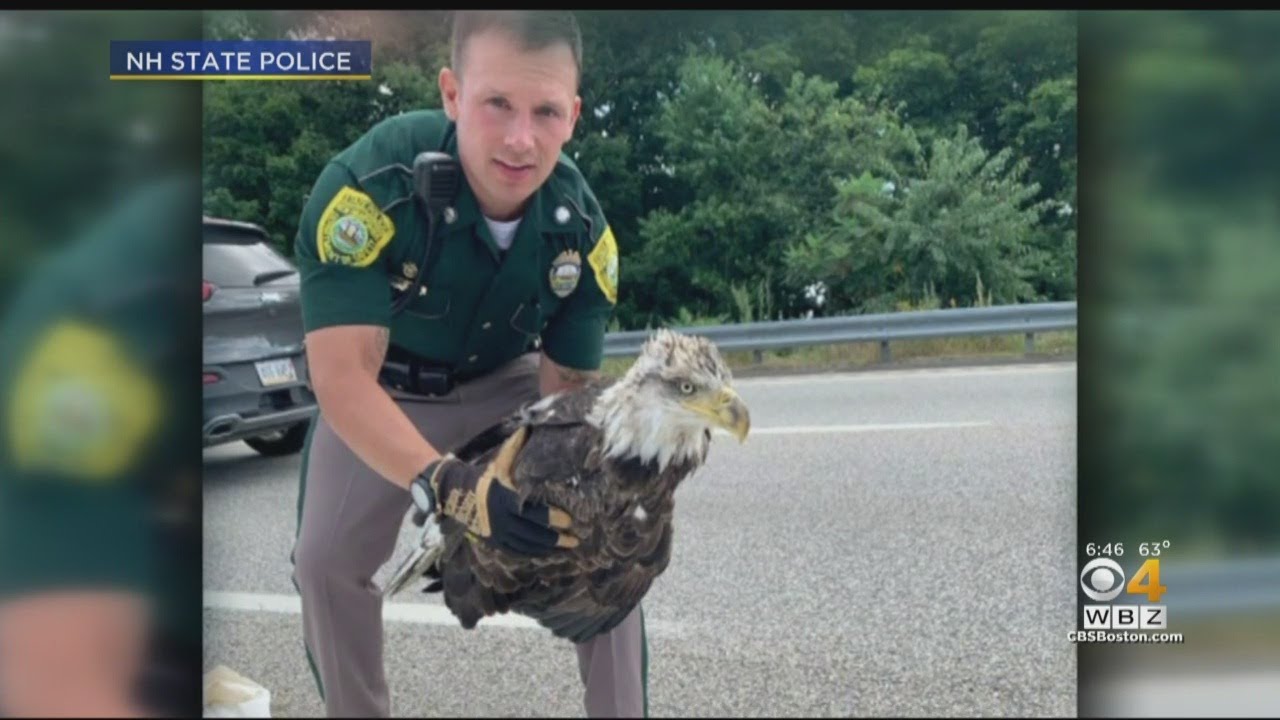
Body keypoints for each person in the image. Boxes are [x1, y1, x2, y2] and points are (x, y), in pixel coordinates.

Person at [289, 10, 646, 718]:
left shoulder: (582, 234)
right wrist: (450, 486)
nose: (520, 139)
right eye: (497, 104)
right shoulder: (366, 190)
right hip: (383, 387)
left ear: (574, 117)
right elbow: (341, 379)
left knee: (608, 548)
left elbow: (565, 402)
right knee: (325, 565)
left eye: (546, 112)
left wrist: (559, 496)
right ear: (452, 95)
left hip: (506, 384)